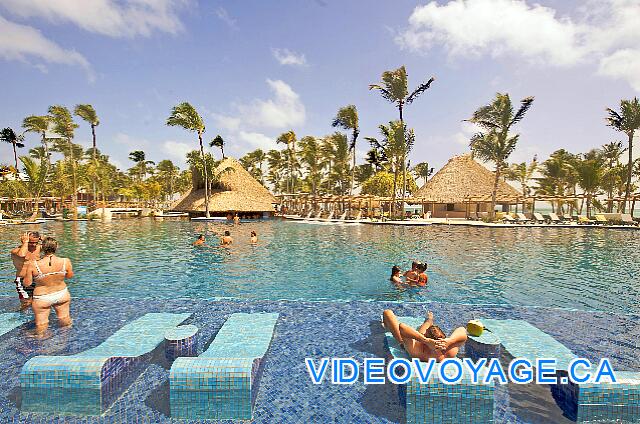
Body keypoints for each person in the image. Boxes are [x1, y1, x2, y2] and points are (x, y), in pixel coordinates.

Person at [23, 237, 73, 335]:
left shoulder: (33, 265)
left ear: (41, 248)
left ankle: (42, 348)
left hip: (42, 298)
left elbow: (27, 283)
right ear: (57, 247)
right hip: (61, 294)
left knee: (42, 325)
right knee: (65, 320)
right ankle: (65, 341)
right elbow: (69, 276)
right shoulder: (65, 261)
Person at [382, 309, 467, 362]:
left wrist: (425, 340)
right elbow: (462, 330)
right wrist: (450, 340)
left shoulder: (417, 350)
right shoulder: (449, 352)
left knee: (387, 313)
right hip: (427, 341)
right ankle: (429, 320)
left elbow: (402, 327)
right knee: (425, 328)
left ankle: (429, 321)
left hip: (404, 343)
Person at [10, 232, 41, 309]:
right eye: (31, 242)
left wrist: (44, 239)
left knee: (38, 300)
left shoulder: (39, 248)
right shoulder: (16, 250)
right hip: (22, 280)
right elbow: (22, 254)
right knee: (26, 302)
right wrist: (25, 243)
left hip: (37, 279)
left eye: (36, 243)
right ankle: (22, 316)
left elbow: (54, 247)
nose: (33, 245)